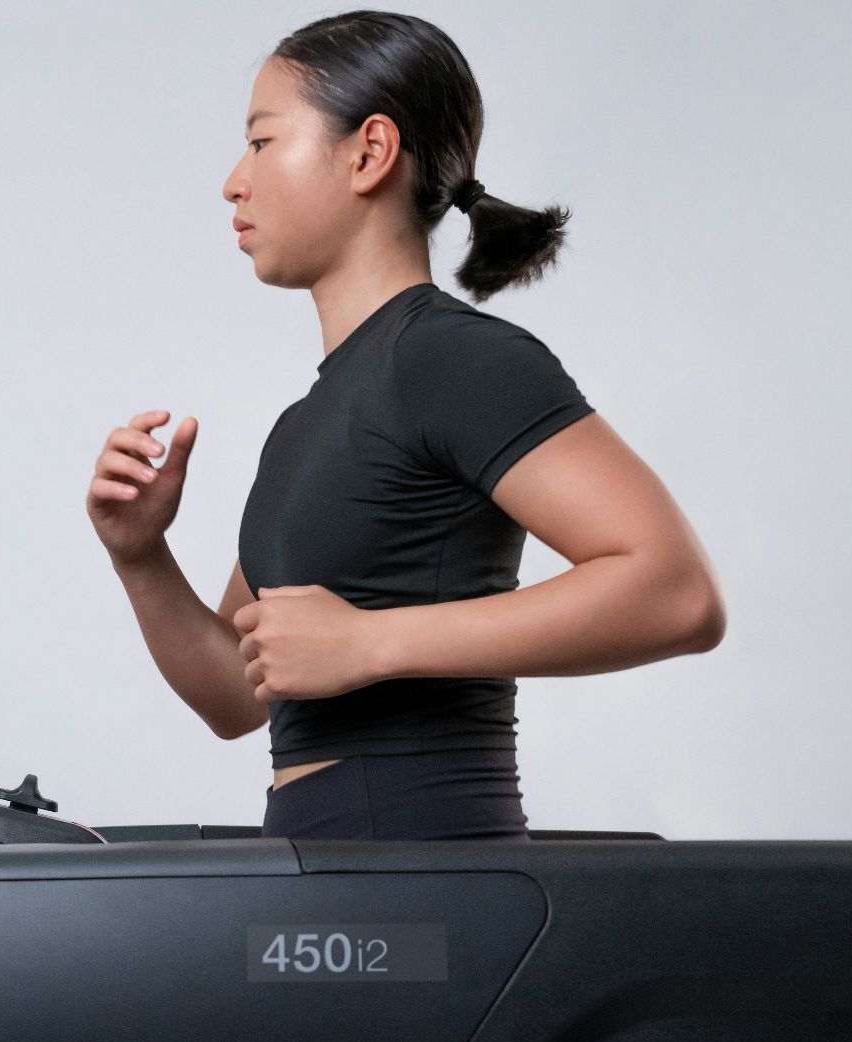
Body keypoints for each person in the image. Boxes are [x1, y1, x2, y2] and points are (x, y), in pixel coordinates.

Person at [85, 10, 725, 841]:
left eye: (262, 141)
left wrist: (371, 643)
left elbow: (675, 593)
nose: (233, 181)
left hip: (425, 865)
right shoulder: (304, 423)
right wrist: (139, 555)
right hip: (319, 856)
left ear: (369, 152)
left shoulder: (451, 359)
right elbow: (237, 696)